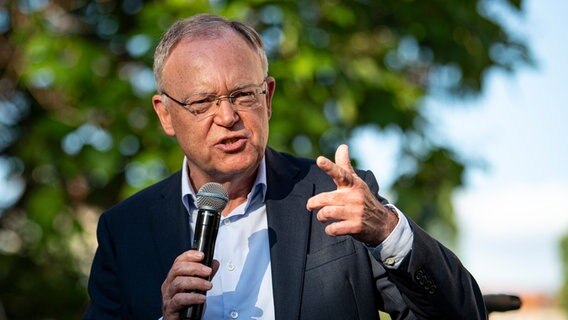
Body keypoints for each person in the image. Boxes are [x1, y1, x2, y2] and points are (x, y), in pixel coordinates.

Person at [84, 13, 487, 320]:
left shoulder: (336, 200)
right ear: (166, 114)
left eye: (243, 95)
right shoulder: (126, 231)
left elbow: (461, 315)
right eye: (203, 103)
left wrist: (387, 231)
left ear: (269, 97)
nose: (227, 116)